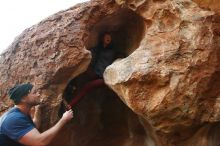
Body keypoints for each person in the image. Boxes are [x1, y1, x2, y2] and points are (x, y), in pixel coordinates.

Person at [0, 83, 73, 146]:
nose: (38, 94)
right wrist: (64, 119)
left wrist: (38, 109)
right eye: (34, 92)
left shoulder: (20, 113)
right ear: (23, 99)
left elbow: (33, 126)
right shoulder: (14, 119)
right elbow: (40, 142)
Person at [67, 32, 126, 108]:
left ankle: (70, 105)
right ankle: (71, 87)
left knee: (87, 86)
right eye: (106, 36)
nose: (109, 38)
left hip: (104, 78)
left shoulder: (113, 49)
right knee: (79, 70)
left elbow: (122, 54)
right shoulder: (98, 48)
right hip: (96, 72)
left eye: (110, 37)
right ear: (102, 38)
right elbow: (90, 53)